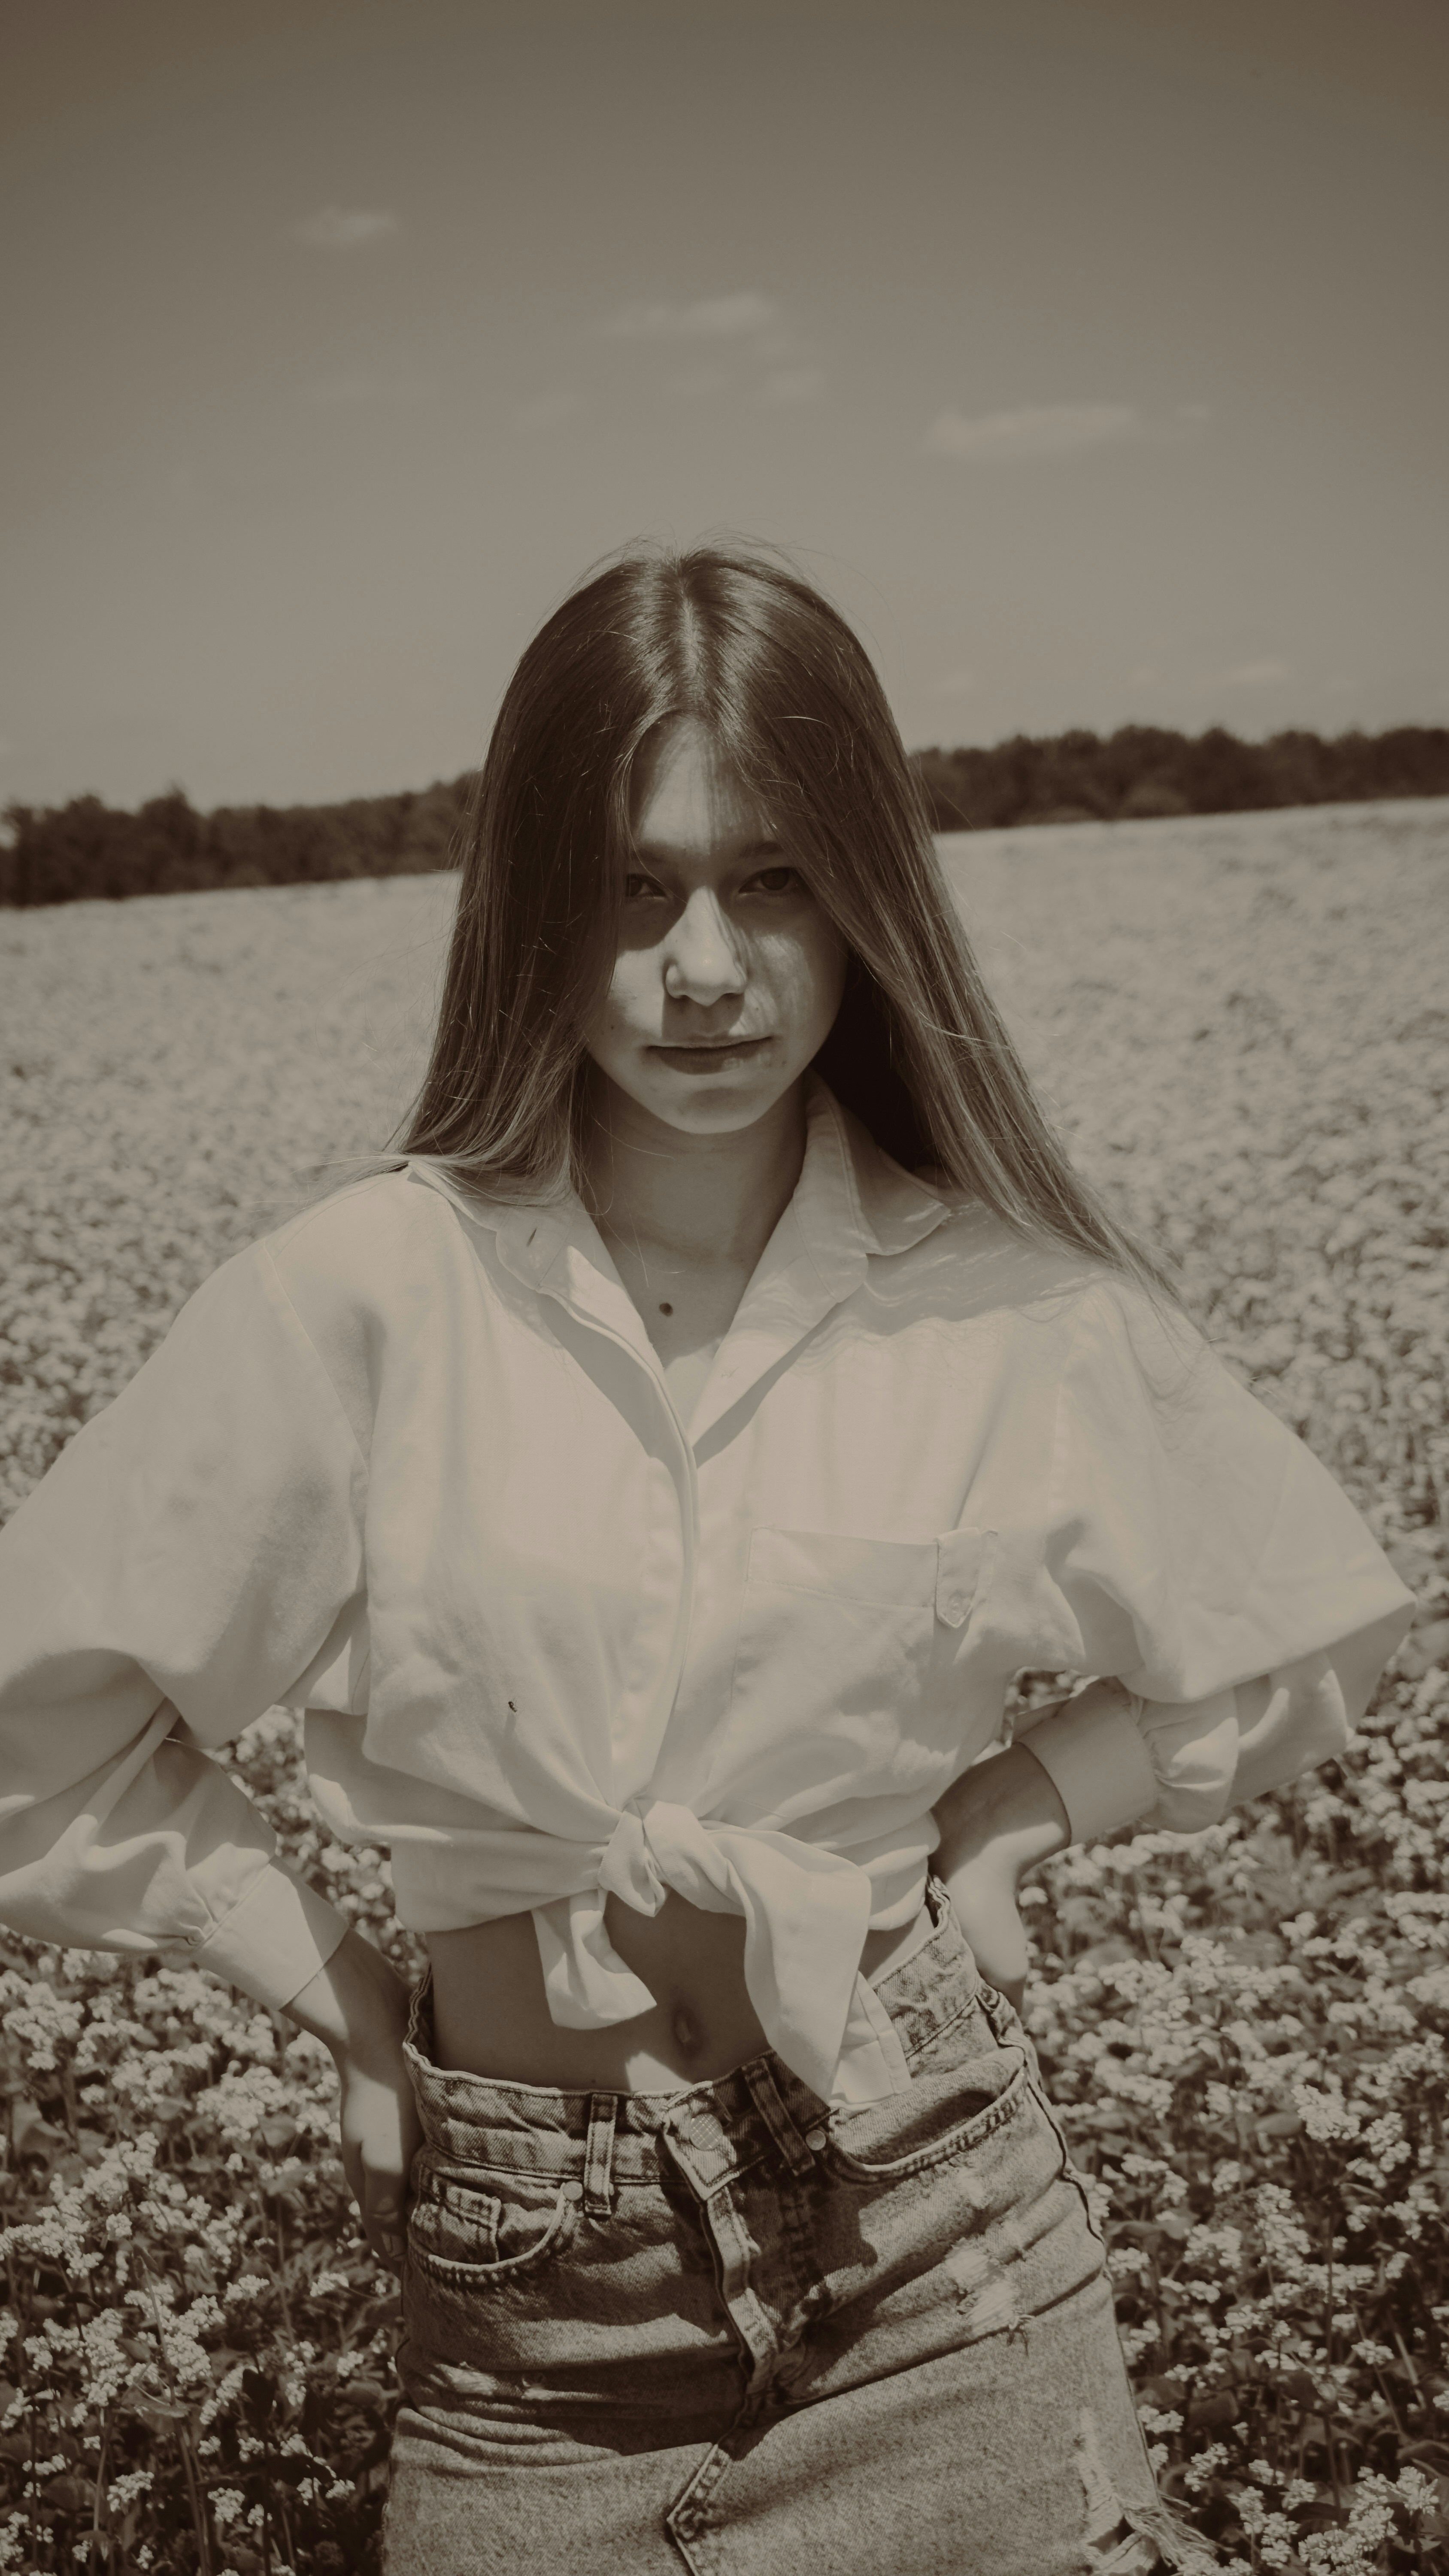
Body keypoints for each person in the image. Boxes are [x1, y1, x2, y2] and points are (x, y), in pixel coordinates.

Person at [0, 544, 1413, 2576]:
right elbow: (44, 1724)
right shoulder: (360, 1297)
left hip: (943, 2247)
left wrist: (1029, 1800)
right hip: (526, 2330)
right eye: (632, 885)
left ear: (867, 898)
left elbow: (1305, 1634)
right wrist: (336, 1999)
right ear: (527, 910)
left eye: (772, 880)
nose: (705, 969)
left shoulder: (1008, 1301)